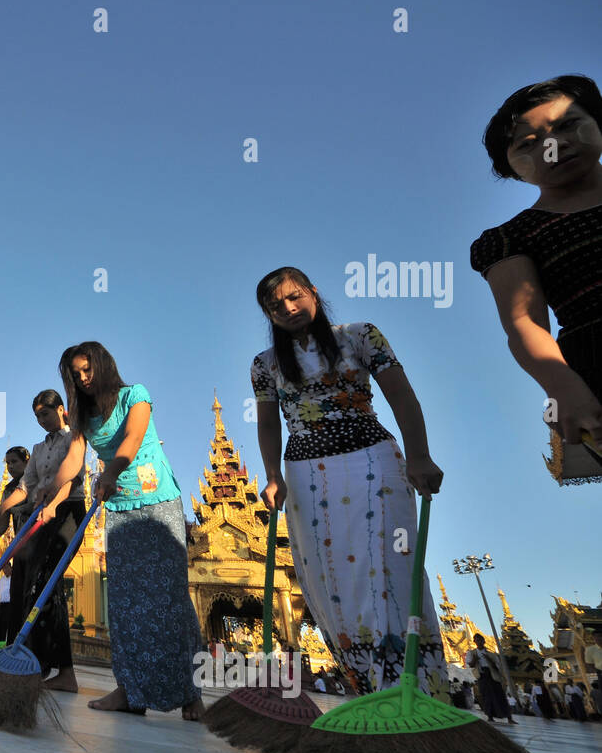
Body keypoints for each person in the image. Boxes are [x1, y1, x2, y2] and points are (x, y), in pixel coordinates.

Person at [250, 267, 449, 698]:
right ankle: (366, 690)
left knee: (391, 568)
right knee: (327, 581)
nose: (288, 308)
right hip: (304, 474)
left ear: (313, 293)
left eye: (295, 296)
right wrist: (270, 475)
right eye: (276, 305)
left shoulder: (361, 336)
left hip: (371, 460)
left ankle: (416, 689)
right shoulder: (265, 365)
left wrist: (419, 455)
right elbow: (268, 424)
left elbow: (401, 395)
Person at [41, 342, 205, 719]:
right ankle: (130, 690)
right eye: (75, 374)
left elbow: (132, 438)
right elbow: (74, 459)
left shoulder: (136, 394)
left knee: (170, 596)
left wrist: (111, 472)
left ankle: (190, 693)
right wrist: (52, 490)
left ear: (102, 364)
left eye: (88, 369)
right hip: (116, 506)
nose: (83, 378)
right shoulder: (82, 417)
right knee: (125, 601)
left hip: (157, 499)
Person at [470, 75, 602, 471]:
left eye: (566, 125)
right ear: (512, 169)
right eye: (528, 144)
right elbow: (524, 322)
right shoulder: (512, 237)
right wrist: (563, 387)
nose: (553, 144)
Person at [0, 392, 86, 692]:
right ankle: (32, 658)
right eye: (37, 416)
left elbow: (75, 478)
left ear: (61, 410)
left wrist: (55, 504)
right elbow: (25, 487)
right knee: (29, 582)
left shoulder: (75, 439)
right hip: (42, 513)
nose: (42, 421)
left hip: (67, 511)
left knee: (48, 582)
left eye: (46, 414)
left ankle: (60, 669)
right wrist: (1, 508)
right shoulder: (38, 448)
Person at [0, 446, 30, 649]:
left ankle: (32, 646)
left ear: (27, 462)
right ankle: (12, 644)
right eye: (7, 463)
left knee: (33, 596)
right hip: (20, 548)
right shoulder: (8, 490)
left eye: (14, 462)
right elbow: (3, 525)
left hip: (38, 543)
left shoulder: (35, 482)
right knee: (17, 597)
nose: (10, 466)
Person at [465, 634, 516, 724]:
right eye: (477, 640)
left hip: (492, 675)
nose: (479, 642)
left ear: (484, 641)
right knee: (486, 696)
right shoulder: (472, 653)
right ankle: (490, 716)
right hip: (482, 675)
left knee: (500, 696)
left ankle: (509, 717)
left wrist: (491, 661)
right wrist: (475, 659)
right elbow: (470, 665)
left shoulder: (491, 654)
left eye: (480, 640)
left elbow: (498, 666)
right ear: (475, 642)